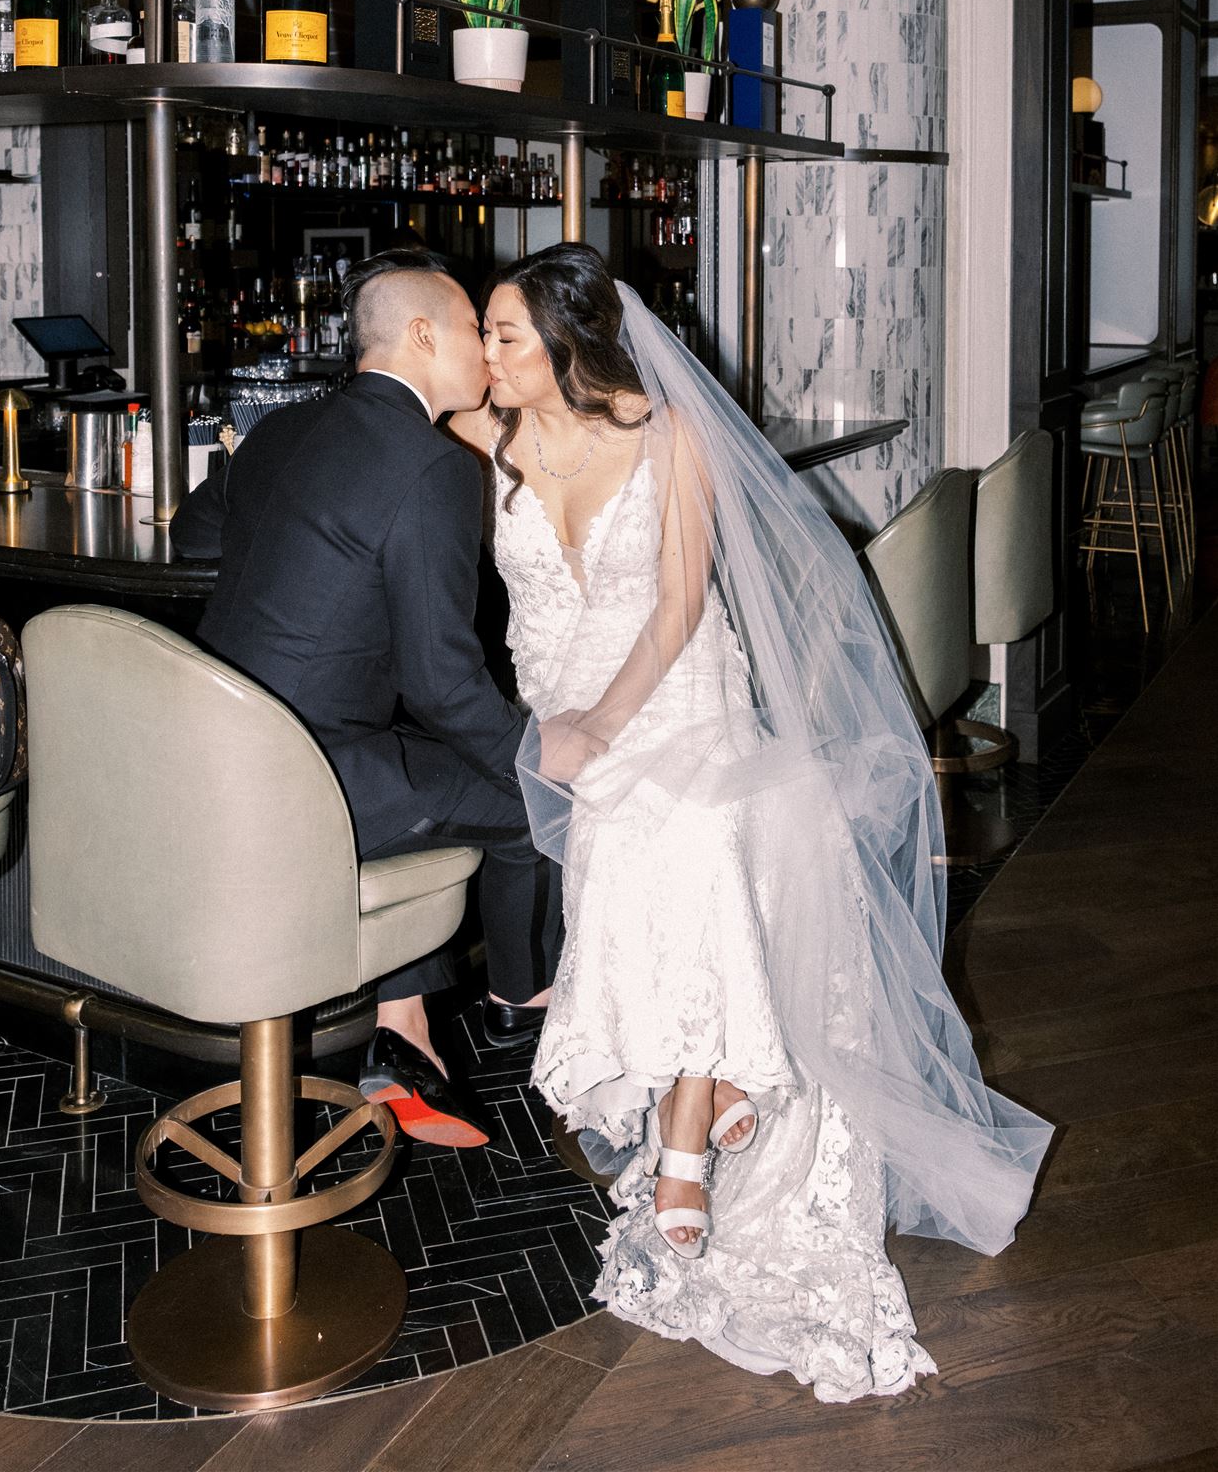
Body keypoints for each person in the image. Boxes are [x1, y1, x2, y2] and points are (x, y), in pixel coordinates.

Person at [447, 243, 1052, 1403]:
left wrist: (601, 729)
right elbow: (381, 434)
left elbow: (679, 606)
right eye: (479, 332)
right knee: (649, 860)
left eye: (505, 333)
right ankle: (718, 1074)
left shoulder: (669, 438)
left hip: (672, 695)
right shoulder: (490, 437)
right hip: (555, 706)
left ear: (569, 344)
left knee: (686, 844)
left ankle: (687, 1133)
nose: (486, 352)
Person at [171, 247, 560, 1148]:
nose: (486, 353)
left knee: (426, 775)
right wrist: (537, 759)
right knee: (535, 804)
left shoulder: (279, 429)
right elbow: (442, 683)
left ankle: (401, 1034)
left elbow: (196, 534)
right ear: (423, 336)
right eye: (473, 330)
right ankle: (520, 999)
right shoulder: (431, 467)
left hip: (208, 756)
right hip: (313, 779)